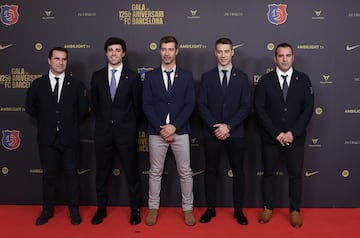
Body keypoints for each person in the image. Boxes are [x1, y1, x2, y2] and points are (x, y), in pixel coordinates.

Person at [25, 47, 90, 225]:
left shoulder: (76, 85)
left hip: (70, 139)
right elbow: (30, 108)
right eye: (57, 59)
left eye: (63, 59)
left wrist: (67, 122)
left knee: (71, 175)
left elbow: (83, 110)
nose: (60, 62)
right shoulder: (38, 84)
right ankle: (47, 210)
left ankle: (74, 210)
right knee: (48, 176)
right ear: (49, 60)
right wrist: (48, 121)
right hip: (47, 139)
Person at [254, 42, 314, 228]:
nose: (285, 59)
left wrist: (292, 133)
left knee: (295, 175)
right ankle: (268, 208)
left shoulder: (303, 80)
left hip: (294, 138)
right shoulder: (265, 80)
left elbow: (308, 109)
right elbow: (260, 109)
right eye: (281, 56)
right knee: (269, 174)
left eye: (288, 55)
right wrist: (276, 133)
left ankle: (295, 210)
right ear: (275, 58)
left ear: (293, 57)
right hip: (271, 138)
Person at [142, 35, 196, 226]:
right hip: (157, 132)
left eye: (170, 49)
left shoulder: (187, 76)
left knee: (185, 172)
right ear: (159, 51)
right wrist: (161, 128)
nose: (167, 53)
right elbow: (146, 105)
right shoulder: (150, 76)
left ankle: (188, 209)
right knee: (155, 171)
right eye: (164, 49)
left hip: (180, 131)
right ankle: (153, 208)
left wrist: (174, 126)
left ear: (176, 51)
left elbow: (190, 104)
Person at [197, 37, 251, 225]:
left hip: (235, 133)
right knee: (210, 171)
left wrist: (228, 126)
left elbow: (246, 106)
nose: (223, 55)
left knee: (238, 172)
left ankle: (238, 210)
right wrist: (216, 127)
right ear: (215, 53)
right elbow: (202, 105)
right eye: (219, 51)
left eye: (226, 51)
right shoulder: (207, 77)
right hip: (211, 133)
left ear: (232, 52)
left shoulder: (243, 77)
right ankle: (210, 208)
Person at [90, 37, 142, 225]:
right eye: (110, 50)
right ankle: (101, 209)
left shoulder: (133, 77)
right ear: (106, 53)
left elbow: (137, 107)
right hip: (103, 132)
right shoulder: (97, 76)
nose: (114, 53)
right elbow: (95, 105)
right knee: (101, 173)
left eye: (117, 50)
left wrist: (126, 124)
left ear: (123, 53)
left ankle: (135, 209)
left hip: (126, 133)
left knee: (131, 172)